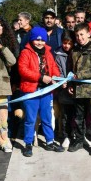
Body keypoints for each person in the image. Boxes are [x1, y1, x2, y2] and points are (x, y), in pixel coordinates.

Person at [18, 27, 64, 157]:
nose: (39, 42)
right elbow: (23, 70)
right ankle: (28, 143)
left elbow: (53, 67)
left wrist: (55, 77)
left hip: (45, 91)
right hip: (31, 91)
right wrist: (40, 77)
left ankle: (50, 141)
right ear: (32, 39)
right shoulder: (25, 52)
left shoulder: (48, 52)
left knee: (47, 117)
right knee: (30, 119)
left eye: (42, 40)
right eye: (37, 39)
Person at [68, 23, 91, 156]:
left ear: (88, 34)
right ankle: (78, 140)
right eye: (77, 35)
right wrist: (72, 84)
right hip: (79, 90)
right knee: (78, 117)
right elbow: (72, 70)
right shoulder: (75, 51)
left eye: (82, 34)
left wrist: (80, 76)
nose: (79, 37)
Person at [54, 30, 75, 149]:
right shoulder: (58, 54)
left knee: (77, 114)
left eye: (69, 43)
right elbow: (57, 71)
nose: (66, 46)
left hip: (76, 87)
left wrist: (72, 84)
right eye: (64, 43)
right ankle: (66, 136)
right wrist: (62, 81)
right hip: (63, 90)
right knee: (65, 114)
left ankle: (77, 135)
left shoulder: (76, 52)